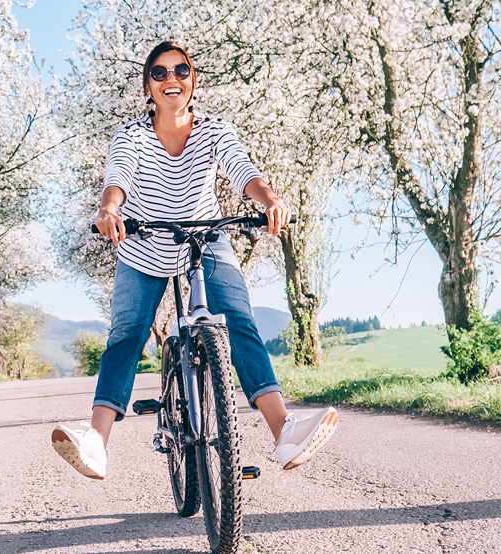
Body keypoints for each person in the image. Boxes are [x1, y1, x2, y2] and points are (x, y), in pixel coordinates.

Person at [52, 41, 338, 480]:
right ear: (148, 87)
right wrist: (109, 210)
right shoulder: (131, 135)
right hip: (143, 243)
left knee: (237, 320)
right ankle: (96, 442)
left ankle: (285, 432)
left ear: (193, 81)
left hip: (203, 240)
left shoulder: (214, 130)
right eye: (160, 73)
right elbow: (118, 179)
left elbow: (243, 171)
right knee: (126, 335)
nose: (172, 79)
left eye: (181, 71)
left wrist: (270, 200)